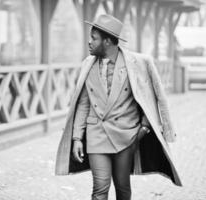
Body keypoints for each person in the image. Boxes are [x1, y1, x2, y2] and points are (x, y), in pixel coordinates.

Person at [55, 14, 182, 200]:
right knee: (100, 189)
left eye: (94, 38)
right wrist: (76, 138)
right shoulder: (87, 65)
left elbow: (150, 97)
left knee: (122, 189)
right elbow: (83, 103)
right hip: (96, 134)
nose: (89, 42)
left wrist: (145, 127)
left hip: (126, 135)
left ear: (107, 41)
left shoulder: (137, 63)